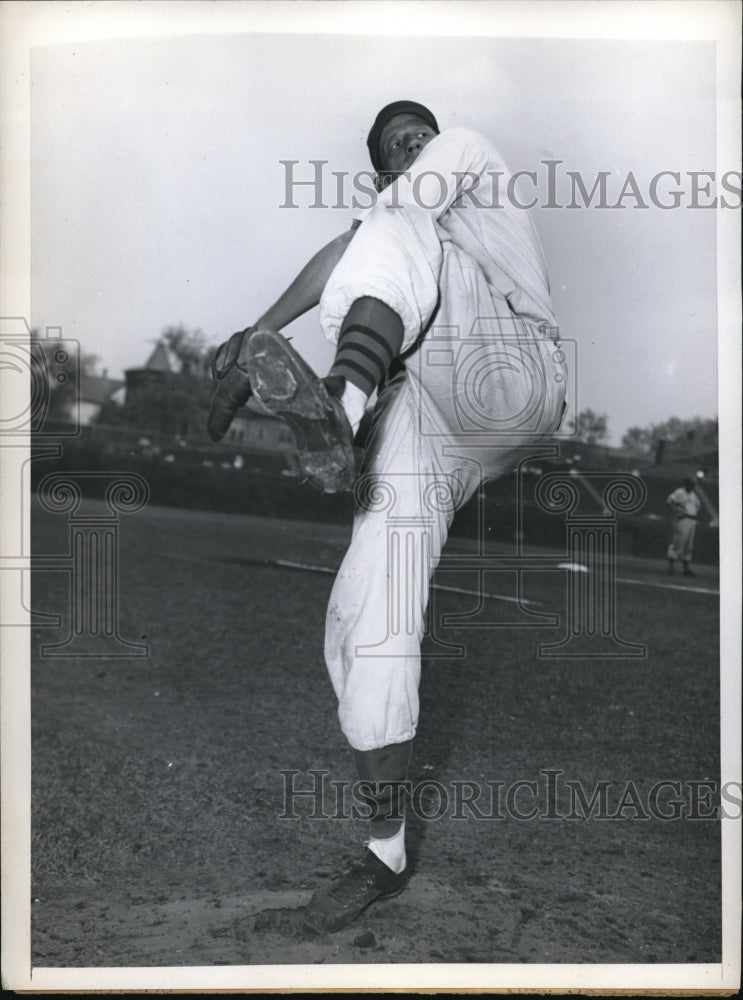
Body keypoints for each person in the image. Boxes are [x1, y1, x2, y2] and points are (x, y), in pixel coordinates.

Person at [208, 100, 568, 933]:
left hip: (508, 371)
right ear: (378, 169)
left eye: (419, 138)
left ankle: (342, 397)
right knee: (361, 620)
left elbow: (404, 212)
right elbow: (350, 249)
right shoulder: (388, 217)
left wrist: (295, 355)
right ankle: (385, 852)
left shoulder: (469, 164)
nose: (417, 145)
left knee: (401, 222)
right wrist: (254, 336)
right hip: (426, 418)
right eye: (398, 147)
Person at [666, 477, 701, 576]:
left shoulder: (693, 494)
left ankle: (686, 569)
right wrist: (676, 511)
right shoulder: (679, 492)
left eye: (693, 484)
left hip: (692, 519)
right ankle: (670, 567)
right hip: (683, 519)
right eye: (690, 484)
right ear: (686, 484)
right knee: (677, 542)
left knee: (688, 546)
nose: (692, 486)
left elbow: (697, 506)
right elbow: (669, 501)